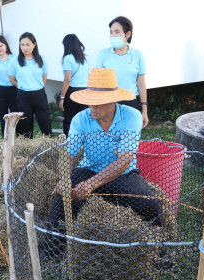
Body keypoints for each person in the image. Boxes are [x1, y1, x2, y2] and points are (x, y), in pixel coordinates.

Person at [44, 68, 162, 258]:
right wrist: (65, 178)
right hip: (88, 169)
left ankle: (158, 251)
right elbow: (68, 154)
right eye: (90, 101)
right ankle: (51, 252)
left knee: (150, 204)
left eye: (98, 102)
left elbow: (125, 160)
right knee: (61, 203)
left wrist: (92, 184)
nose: (93, 107)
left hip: (123, 174)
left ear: (114, 100)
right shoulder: (80, 119)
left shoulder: (132, 116)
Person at [96, 16, 149, 128]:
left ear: (127, 34)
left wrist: (144, 109)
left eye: (117, 32)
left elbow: (141, 84)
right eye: (111, 32)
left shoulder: (137, 55)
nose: (113, 35)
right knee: (109, 140)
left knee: (130, 141)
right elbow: (98, 83)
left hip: (131, 103)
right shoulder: (103, 55)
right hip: (108, 103)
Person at [9, 32, 52, 138]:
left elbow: (44, 78)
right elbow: (12, 79)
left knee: (45, 124)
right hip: (23, 97)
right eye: (22, 45)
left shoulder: (42, 59)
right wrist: (22, 87)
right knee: (26, 127)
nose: (25, 47)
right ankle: (28, 152)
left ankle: (50, 149)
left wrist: (35, 86)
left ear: (34, 44)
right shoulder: (15, 61)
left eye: (28, 44)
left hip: (39, 95)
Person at [59, 34, 89, 137]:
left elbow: (67, 79)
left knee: (69, 119)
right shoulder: (84, 59)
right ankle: (83, 144)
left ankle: (70, 145)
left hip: (72, 91)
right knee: (83, 120)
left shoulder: (68, 58)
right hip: (85, 91)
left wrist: (62, 97)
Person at [0, 35, 18, 137]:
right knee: (3, 118)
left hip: (14, 90)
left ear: (6, 45)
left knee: (16, 117)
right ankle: (6, 141)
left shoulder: (14, 58)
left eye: (1, 46)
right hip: (0, 91)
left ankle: (20, 140)